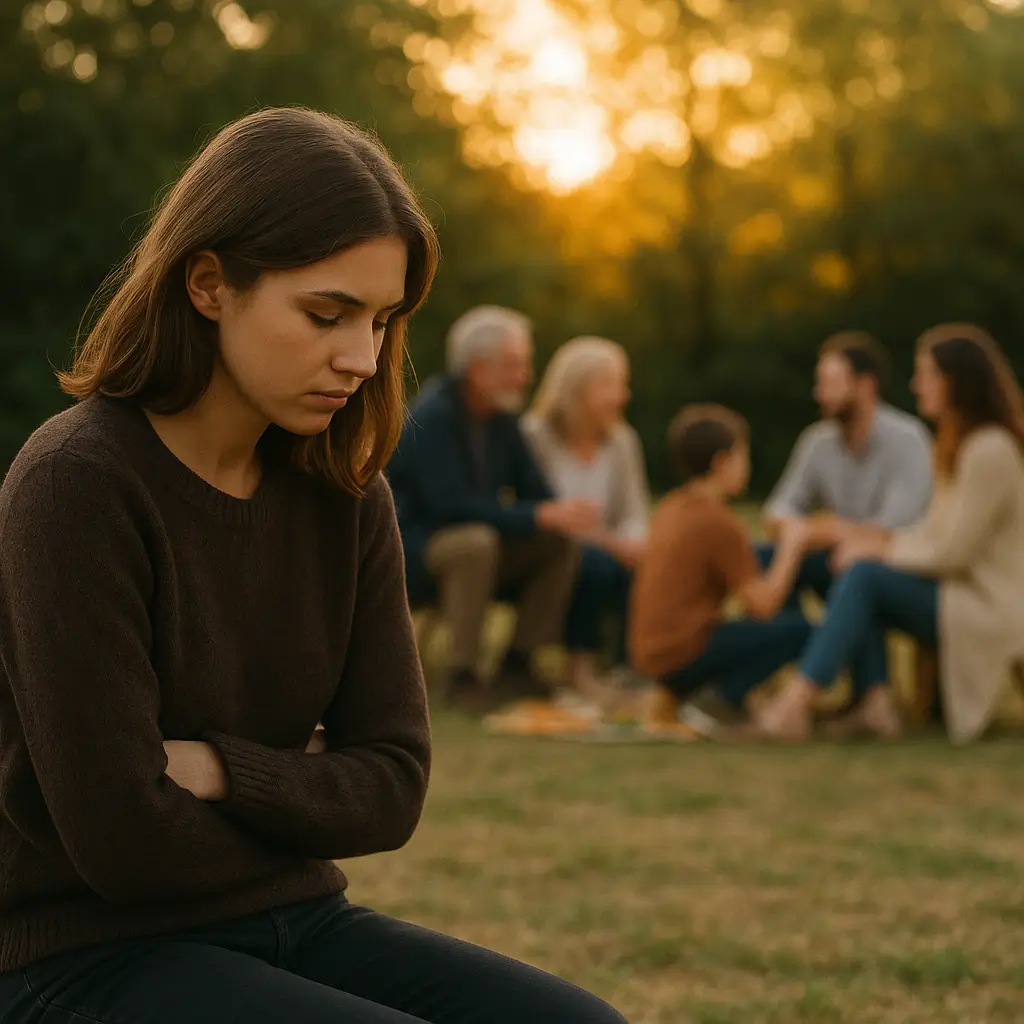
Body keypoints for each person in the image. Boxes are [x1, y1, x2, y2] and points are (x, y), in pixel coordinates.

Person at [0, 109, 625, 1024]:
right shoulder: (75, 484)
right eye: (326, 315)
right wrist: (307, 787)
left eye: (381, 320)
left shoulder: (345, 494)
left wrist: (220, 770)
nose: (362, 359)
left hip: (298, 917)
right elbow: (121, 842)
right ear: (209, 284)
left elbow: (394, 785)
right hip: (85, 953)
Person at [757, 324, 1024, 743]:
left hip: (983, 602)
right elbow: (932, 535)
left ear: (956, 381)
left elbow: (953, 552)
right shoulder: (958, 444)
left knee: (864, 575)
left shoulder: (989, 449)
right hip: (956, 590)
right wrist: (867, 545)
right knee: (838, 567)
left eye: (927, 374)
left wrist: (877, 548)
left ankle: (796, 704)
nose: (917, 385)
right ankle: (868, 701)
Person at [389, 307, 602, 714]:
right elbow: (448, 506)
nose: (525, 376)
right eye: (513, 365)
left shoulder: (502, 418)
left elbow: (536, 494)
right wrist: (536, 515)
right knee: (476, 542)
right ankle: (463, 675)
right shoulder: (431, 417)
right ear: (478, 369)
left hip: (476, 547)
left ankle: (519, 665)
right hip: (413, 550)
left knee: (557, 543)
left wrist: (558, 514)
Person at [629, 405, 814, 733]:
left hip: (650, 654)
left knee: (753, 631)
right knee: (802, 630)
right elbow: (763, 605)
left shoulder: (671, 507)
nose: (747, 466)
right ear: (721, 462)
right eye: (743, 456)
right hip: (681, 654)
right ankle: (721, 699)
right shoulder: (717, 520)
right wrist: (792, 546)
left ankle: (709, 698)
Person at [762, 331, 933, 607]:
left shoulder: (908, 439)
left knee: (856, 571)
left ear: (866, 385)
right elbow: (776, 513)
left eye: (830, 384)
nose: (819, 394)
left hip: (891, 567)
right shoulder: (817, 440)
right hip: (837, 557)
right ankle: (793, 630)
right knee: (762, 556)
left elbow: (892, 531)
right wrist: (828, 531)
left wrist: (817, 530)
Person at [521, 336, 650, 697]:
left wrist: (632, 543)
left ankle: (629, 669)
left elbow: (633, 511)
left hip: (610, 545)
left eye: (622, 384)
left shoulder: (623, 442)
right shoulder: (534, 436)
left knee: (640, 566)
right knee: (595, 564)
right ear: (575, 388)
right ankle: (580, 669)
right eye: (609, 385)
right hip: (554, 547)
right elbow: (542, 513)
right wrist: (610, 542)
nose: (622, 396)